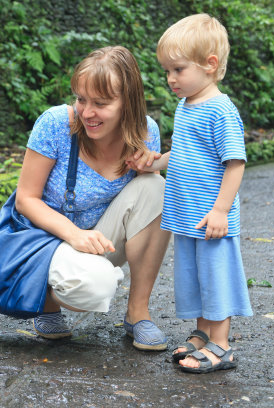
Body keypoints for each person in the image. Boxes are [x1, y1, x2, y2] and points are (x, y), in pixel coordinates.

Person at [15, 46, 171, 351]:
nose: (87, 112)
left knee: (156, 187)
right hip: (47, 245)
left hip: (100, 244)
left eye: (101, 103)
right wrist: (76, 235)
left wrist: (150, 165)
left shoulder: (145, 130)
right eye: (81, 99)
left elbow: (146, 210)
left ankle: (138, 312)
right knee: (95, 287)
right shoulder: (56, 124)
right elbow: (25, 199)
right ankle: (46, 300)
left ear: (128, 103)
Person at [127, 14, 253, 372]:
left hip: (212, 217)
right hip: (185, 216)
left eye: (178, 69)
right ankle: (201, 333)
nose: (170, 79)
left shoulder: (220, 111)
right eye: (167, 70)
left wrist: (220, 211)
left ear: (210, 65)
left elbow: (235, 163)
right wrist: (153, 164)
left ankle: (222, 344)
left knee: (216, 279)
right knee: (193, 279)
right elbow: (183, 153)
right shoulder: (186, 106)